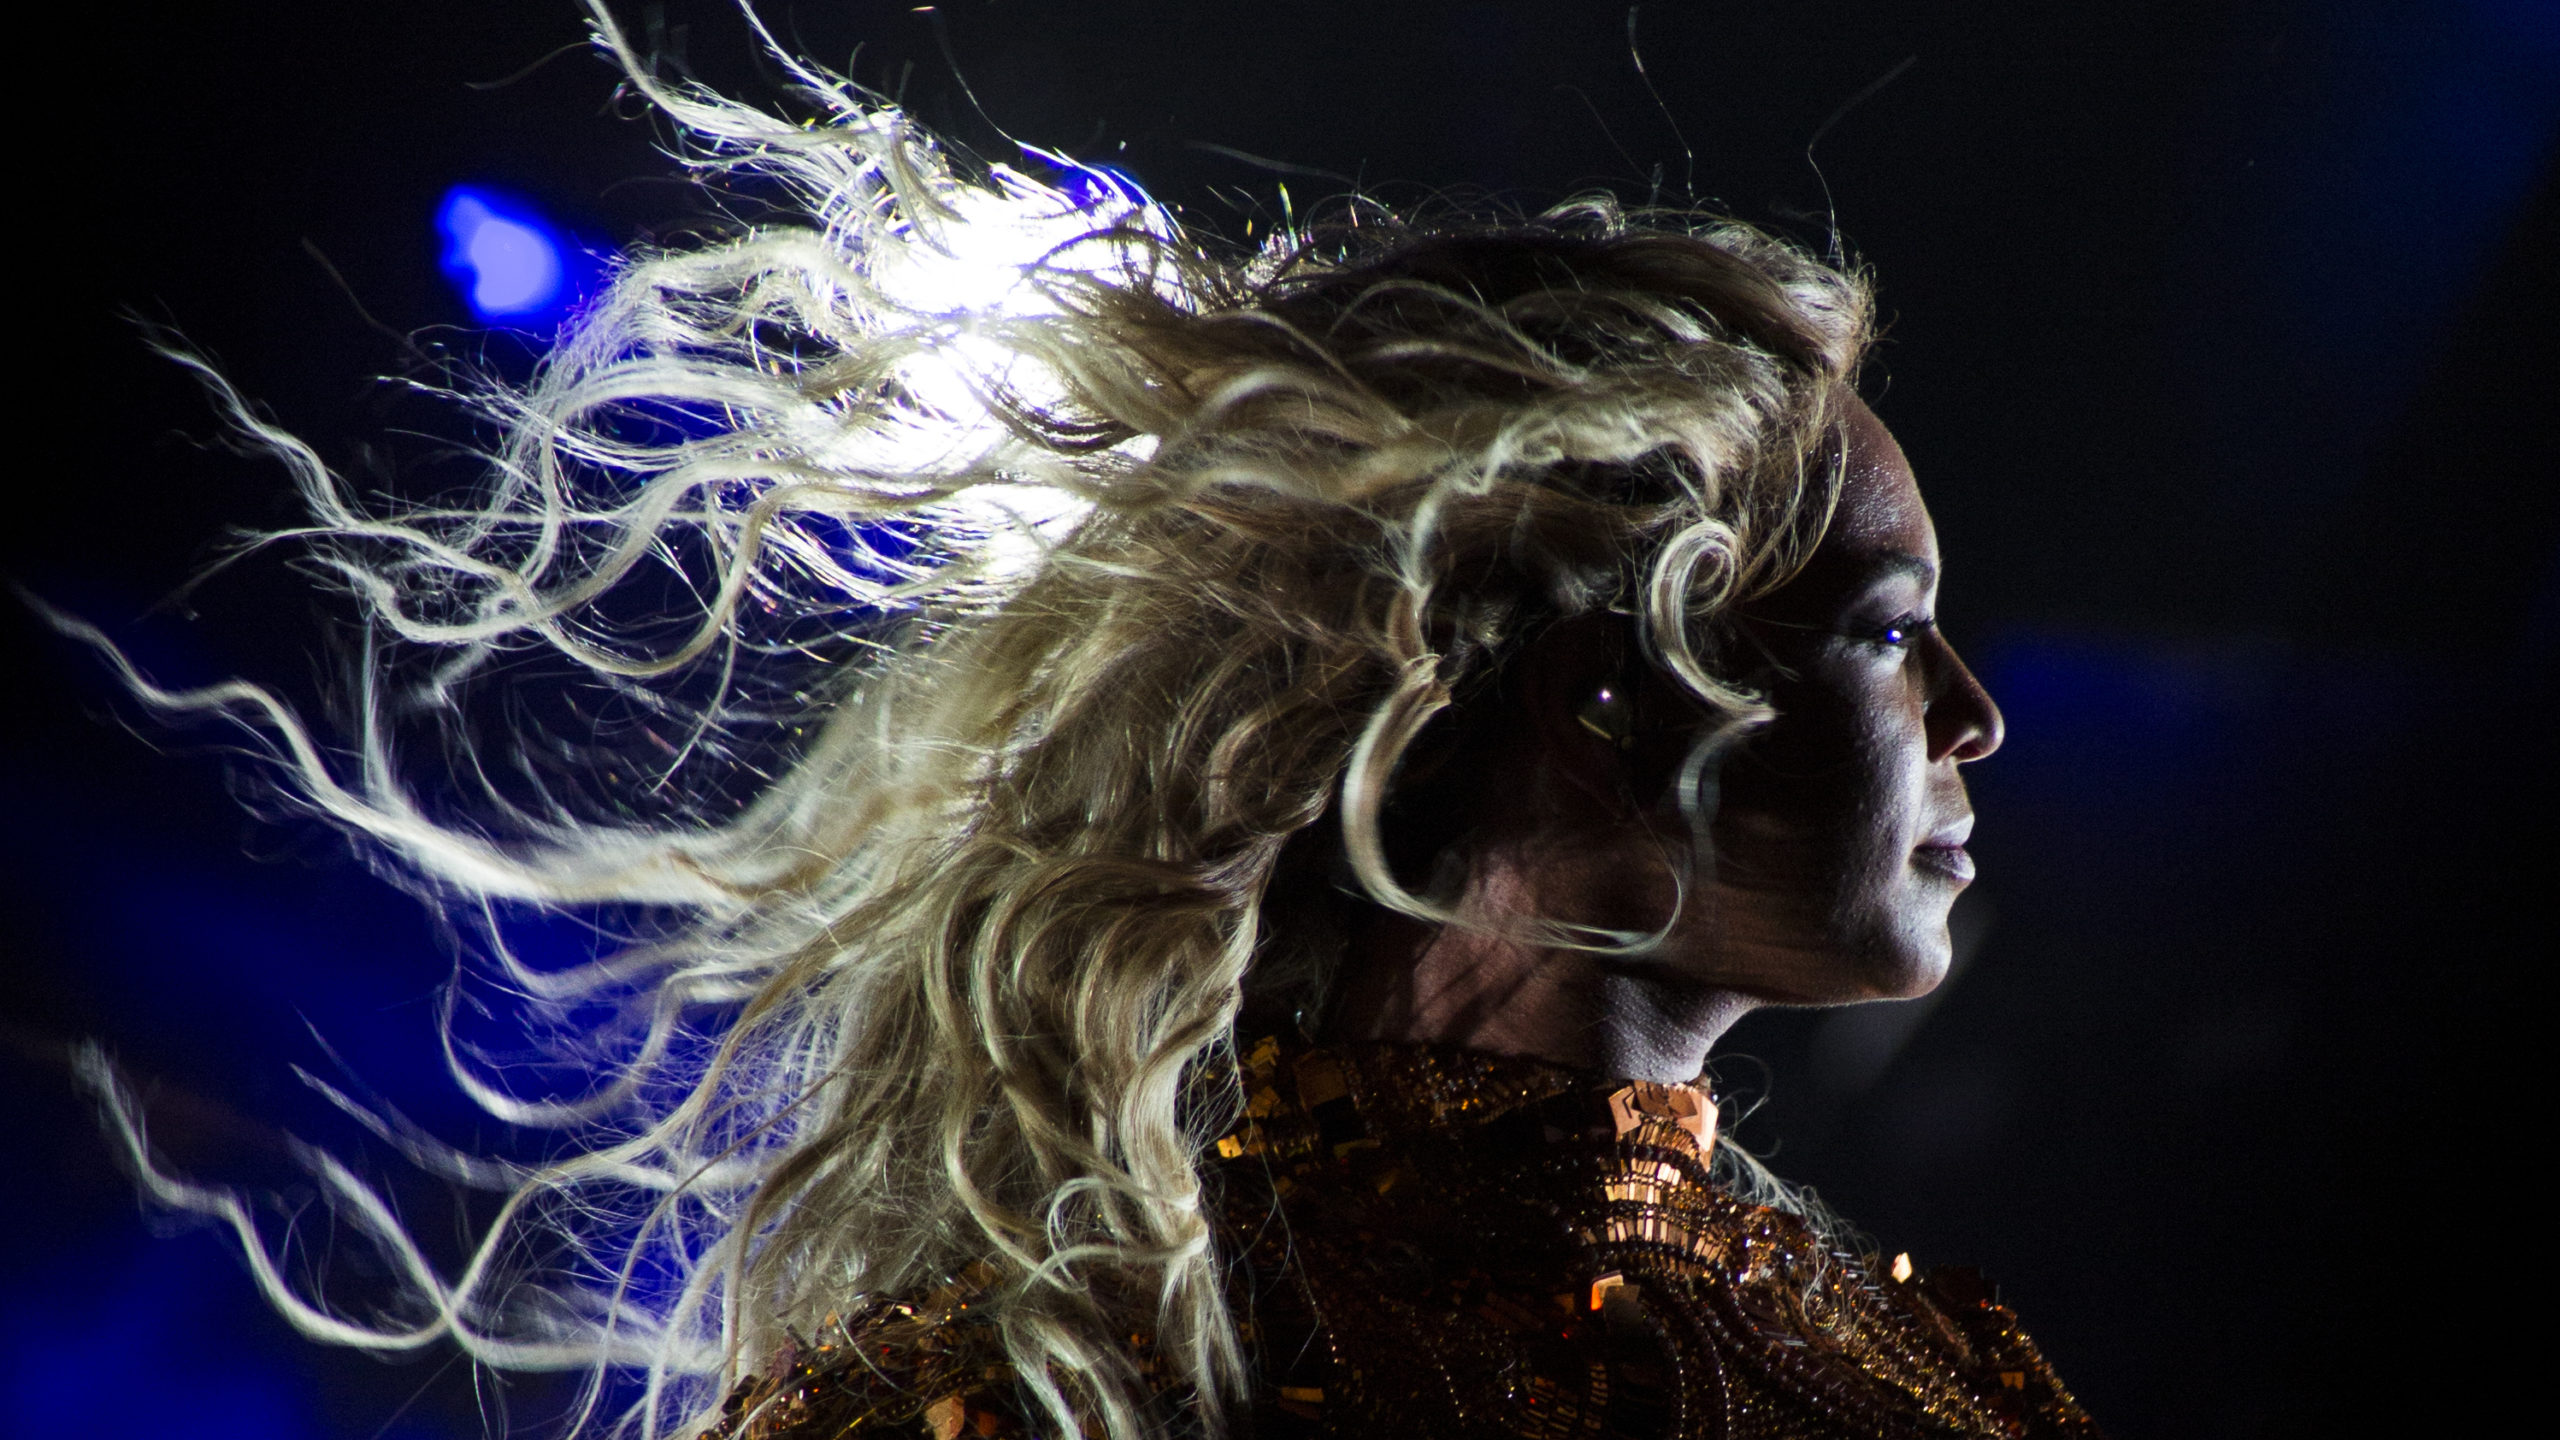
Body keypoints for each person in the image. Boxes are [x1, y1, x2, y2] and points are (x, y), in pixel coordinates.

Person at [76, 10, 2097, 1438]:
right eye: (1887, 633)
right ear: (1605, 697)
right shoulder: (1057, 1396)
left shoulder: (1926, 1367)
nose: (1976, 720)